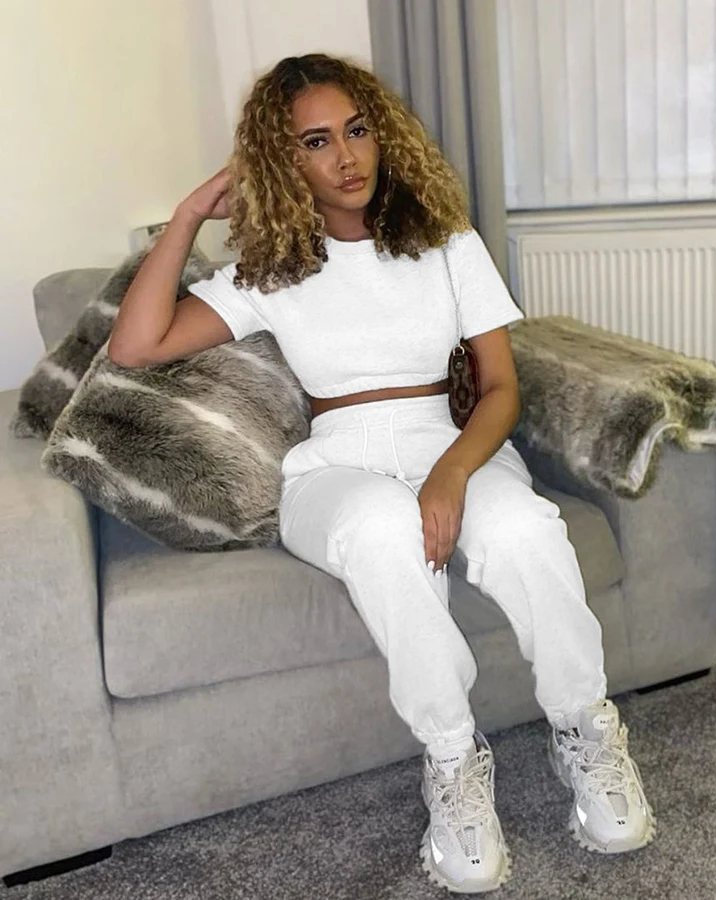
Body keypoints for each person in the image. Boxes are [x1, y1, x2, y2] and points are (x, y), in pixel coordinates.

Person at [107, 53, 654, 895]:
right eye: (316, 141)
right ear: (285, 161)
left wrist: (451, 473)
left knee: (524, 527)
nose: (346, 156)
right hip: (336, 465)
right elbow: (135, 345)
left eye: (357, 130)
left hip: (450, 441)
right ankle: (453, 762)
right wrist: (188, 215)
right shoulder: (270, 270)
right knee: (380, 525)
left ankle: (585, 729)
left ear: (382, 133)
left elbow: (501, 390)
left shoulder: (446, 242)